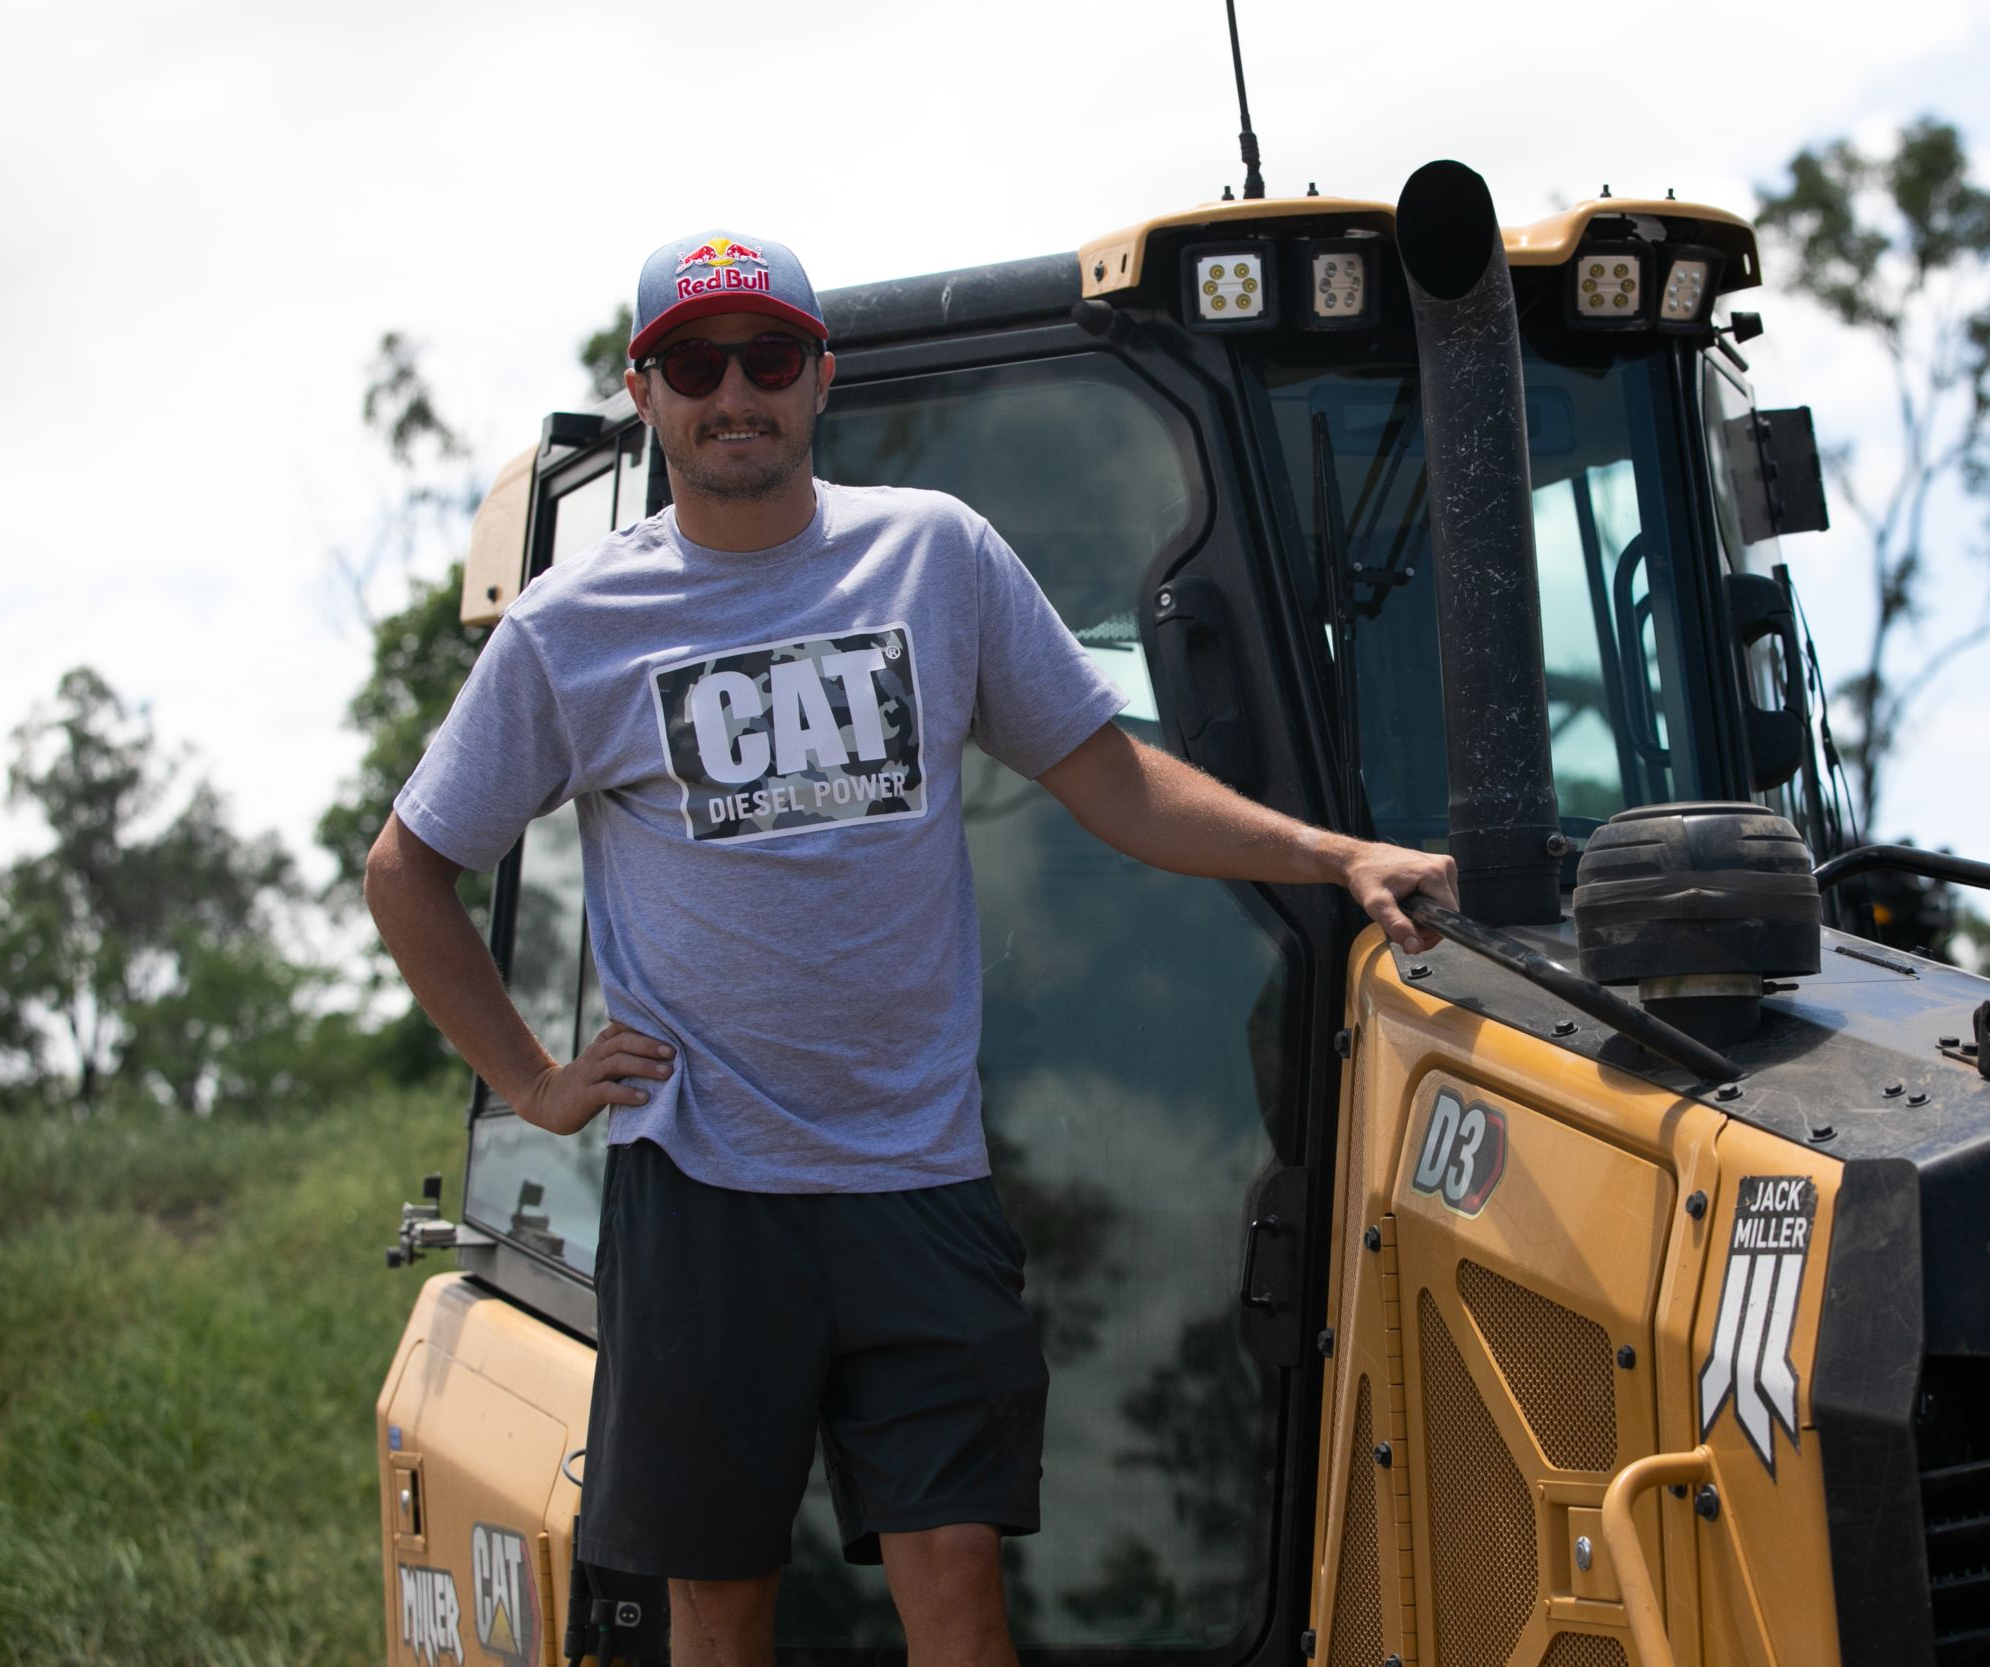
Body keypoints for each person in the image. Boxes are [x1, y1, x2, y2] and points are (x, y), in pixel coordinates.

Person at [361, 228, 1456, 1667]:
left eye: (767, 359)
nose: (733, 394)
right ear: (645, 392)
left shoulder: (935, 555)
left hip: (916, 1177)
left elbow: (1114, 780)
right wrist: (535, 1084)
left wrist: (1335, 855)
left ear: (820, 378)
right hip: (704, 1193)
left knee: (958, 1589)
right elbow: (409, 870)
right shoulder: (576, 628)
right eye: (696, 365)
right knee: (717, 1605)